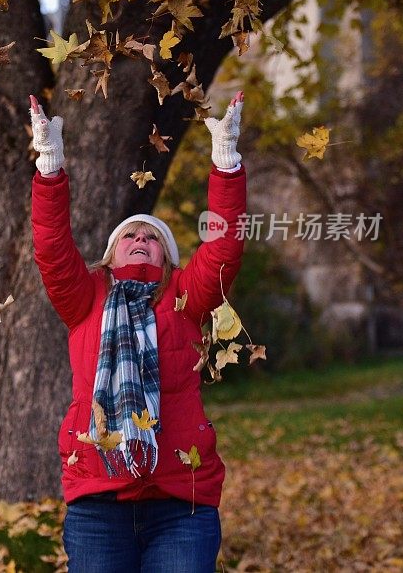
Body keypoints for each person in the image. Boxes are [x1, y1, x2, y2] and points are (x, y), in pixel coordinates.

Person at [29, 91, 247, 572]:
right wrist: (49, 163)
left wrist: (225, 158)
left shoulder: (185, 300)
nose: (141, 240)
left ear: (168, 259)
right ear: (110, 256)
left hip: (180, 501)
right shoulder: (84, 298)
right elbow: (51, 246)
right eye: (130, 235)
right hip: (98, 501)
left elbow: (224, 247)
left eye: (152, 237)